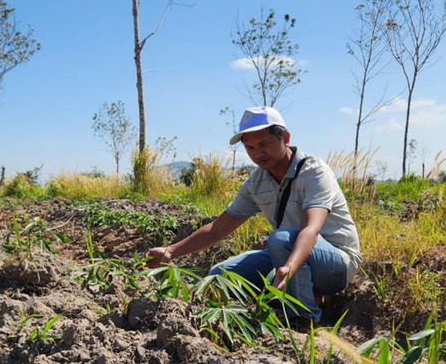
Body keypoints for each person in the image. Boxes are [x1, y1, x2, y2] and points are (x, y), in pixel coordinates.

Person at [145, 106, 361, 323]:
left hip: (336, 263)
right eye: (250, 148)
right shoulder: (256, 183)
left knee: (281, 239)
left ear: (285, 138)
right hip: (288, 256)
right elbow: (218, 228)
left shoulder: (314, 172)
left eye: (264, 144)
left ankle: (304, 317)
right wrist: (171, 251)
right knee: (219, 274)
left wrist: (288, 268)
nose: (257, 154)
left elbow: (310, 229)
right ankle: (288, 299)